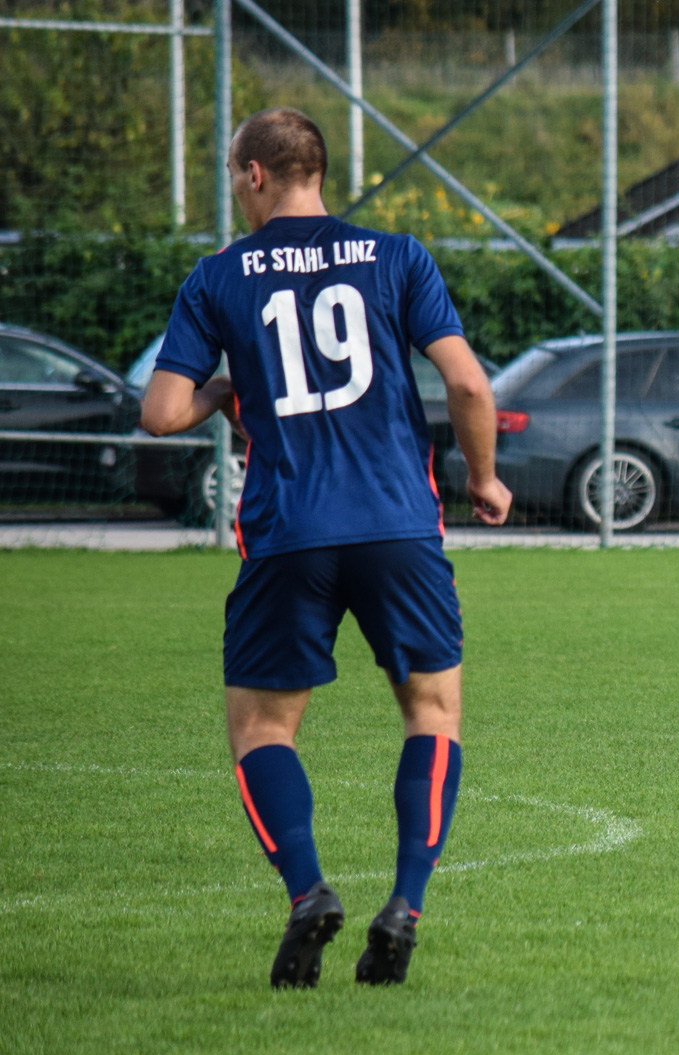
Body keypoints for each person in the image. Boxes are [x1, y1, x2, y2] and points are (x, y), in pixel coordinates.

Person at [142, 107, 512, 985]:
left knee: (262, 727)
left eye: (234, 177)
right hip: (397, 524)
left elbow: (160, 413)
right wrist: (484, 478)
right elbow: (466, 382)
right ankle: (406, 903)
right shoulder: (398, 256)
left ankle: (308, 891)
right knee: (432, 712)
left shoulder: (218, 277)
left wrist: (227, 387)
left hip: (288, 531)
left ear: (256, 175)